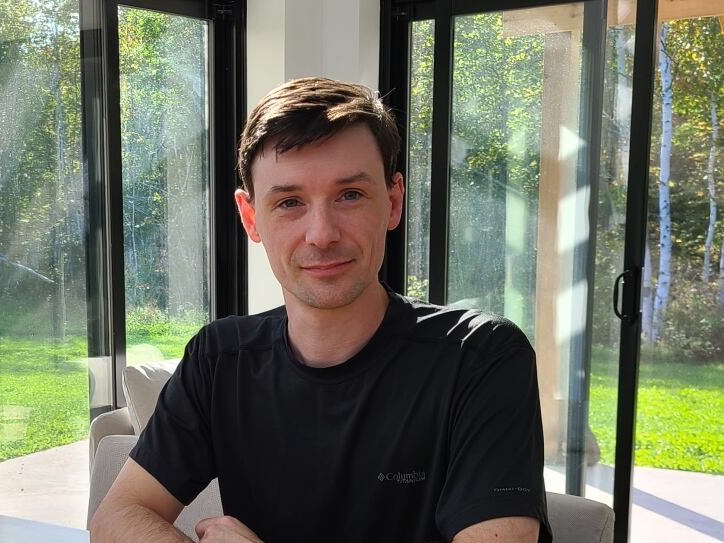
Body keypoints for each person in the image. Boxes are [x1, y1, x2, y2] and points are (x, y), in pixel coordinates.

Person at [91, 77, 552, 543]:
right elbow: (117, 517)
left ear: (392, 202)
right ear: (252, 218)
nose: (321, 234)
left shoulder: (480, 357)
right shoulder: (220, 358)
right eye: (289, 202)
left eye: (349, 195)